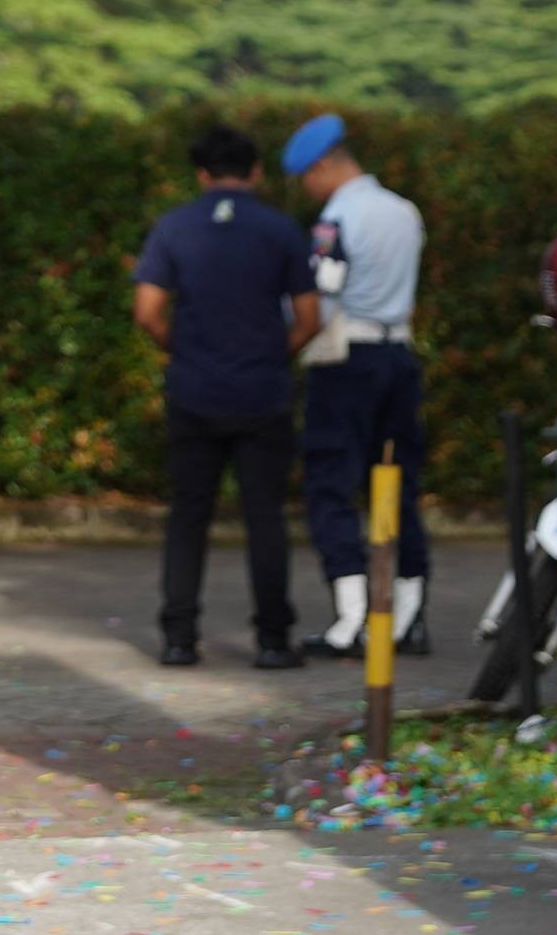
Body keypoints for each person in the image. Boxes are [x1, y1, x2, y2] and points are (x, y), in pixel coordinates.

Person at [129, 122, 319, 669]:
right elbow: (309, 317)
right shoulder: (281, 229)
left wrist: (183, 349)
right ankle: (273, 640)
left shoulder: (174, 226)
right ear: (256, 172)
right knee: (265, 517)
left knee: (188, 516)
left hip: (195, 390)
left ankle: (179, 637)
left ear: (202, 174)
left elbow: (147, 312)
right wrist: (273, 354)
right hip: (262, 392)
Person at [286, 112, 431, 660]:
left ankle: (350, 619)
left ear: (324, 166)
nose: (307, 189)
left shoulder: (336, 220)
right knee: (397, 482)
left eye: (306, 177)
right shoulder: (404, 211)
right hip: (399, 354)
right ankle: (408, 616)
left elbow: (322, 298)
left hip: (348, 358)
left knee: (331, 482)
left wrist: (286, 340)